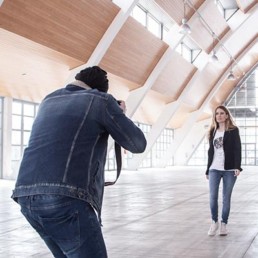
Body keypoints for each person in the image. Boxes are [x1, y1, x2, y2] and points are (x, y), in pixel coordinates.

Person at [11, 66, 147, 257]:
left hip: (26, 197)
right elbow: (137, 144)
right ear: (99, 90)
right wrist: (119, 113)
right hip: (64, 199)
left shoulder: (48, 100)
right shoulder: (101, 100)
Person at [205, 105, 242, 237]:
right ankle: (214, 222)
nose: (219, 116)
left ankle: (223, 224)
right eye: (217, 114)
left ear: (227, 115)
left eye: (222, 113)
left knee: (226, 199)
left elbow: (237, 149)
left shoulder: (233, 130)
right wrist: (207, 170)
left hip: (229, 169)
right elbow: (211, 152)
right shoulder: (213, 131)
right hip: (214, 168)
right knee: (212, 197)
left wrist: (238, 166)